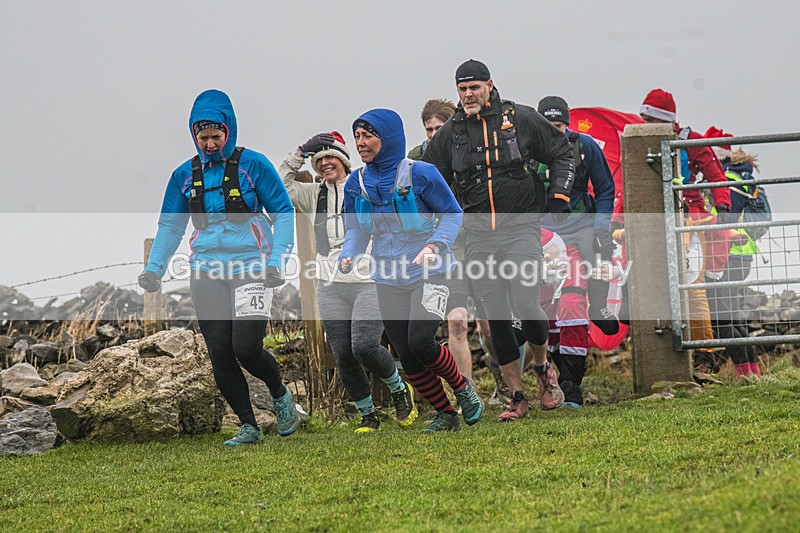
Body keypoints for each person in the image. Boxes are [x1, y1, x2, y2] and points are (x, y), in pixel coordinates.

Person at [138, 89, 300, 445]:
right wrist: (155, 268)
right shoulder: (184, 174)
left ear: (229, 131)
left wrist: (278, 260)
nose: (210, 143)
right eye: (203, 136)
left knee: (246, 348)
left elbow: (284, 212)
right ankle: (248, 425)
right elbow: (170, 227)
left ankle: (279, 394)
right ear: (193, 135)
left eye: (216, 136)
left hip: (252, 267)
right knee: (219, 351)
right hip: (206, 270)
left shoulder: (254, 165)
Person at [424, 60, 574, 420]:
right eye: (462, 89)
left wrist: (559, 195)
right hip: (476, 234)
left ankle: (542, 370)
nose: (468, 95)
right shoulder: (451, 134)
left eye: (474, 87)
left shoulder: (519, 118)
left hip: (520, 226)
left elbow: (561, 152)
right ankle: (517, 395)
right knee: (496, 317)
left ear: (489, 85)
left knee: (525, 302)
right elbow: (427, 179)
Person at [339, 108, 484, 433]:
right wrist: (349, 254)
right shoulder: (355, 183)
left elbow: (451, 214)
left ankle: (463, 390)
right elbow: (356, 230)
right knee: (405, 351)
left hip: (431, 271)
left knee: (421, 342)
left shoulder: (421, 173)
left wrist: (434, 246)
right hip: (388, 276)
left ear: (387, 138)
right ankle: (446, 414)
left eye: (368, 136)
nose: (360, 143)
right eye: (357, 136)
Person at [278, 131, 417, 432]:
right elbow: (282, 184)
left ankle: (398, 390)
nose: (326, 163)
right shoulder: (313, 194)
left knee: (365, 345)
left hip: (369, 277)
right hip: (330, 282)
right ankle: (367, 414)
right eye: (320, 159)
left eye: (331, 157)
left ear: (343, 160)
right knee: (342, 351)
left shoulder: (364, 184)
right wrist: (302, 150)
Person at [639, 89, 733, 372]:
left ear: (665, 120)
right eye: (643, 119)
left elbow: (717, 176)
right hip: (655, 223)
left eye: (650, 119)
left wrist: (724, 208)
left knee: (692, 287)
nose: (645, 125)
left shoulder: (692, 142)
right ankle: (662, 359)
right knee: (656, 287)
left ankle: (704, 356)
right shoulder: (640, 144)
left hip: (689, 224)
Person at [537, 96, 616, 408]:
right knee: (548, 315)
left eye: (558, 125)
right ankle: (555, 377)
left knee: (571, 304)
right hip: (541, 238)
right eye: (547, 126)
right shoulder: (526, 150)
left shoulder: (585, 146)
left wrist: (601, 227)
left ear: (566, 123)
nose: (554, 131)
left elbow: (606, 189)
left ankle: (572, 387)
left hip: (578, 233)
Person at [407, 99, 475, 379]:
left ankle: (481, 392)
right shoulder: (414, 160)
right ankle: (456, 392)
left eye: (440, 128)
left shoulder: (470, 154)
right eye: (429, 129)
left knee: (470, 323)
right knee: (434, 330)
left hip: (466, 250)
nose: (434, 135)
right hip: (427, 255)